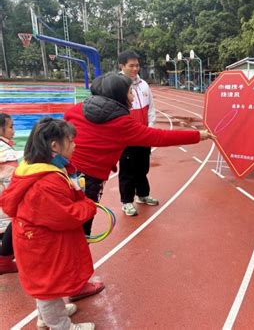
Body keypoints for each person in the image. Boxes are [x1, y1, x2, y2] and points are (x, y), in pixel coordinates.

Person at [64, 72, 213, 299]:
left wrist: (105, 161)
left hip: (62, 175)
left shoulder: (75, 110)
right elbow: (159, 137)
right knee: (80, 234)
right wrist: (199, 135)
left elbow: (80, 139)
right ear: (117, 95)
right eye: (129, 92)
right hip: (86, 183)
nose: (133, 97)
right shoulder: (121, 123)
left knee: (57, 228)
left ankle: (9, 256)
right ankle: (75, 285)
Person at [0, 117, 97, 329]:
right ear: (54, 145)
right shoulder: (46, 182)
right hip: (42, 244)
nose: (74, 145)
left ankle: (48, 317)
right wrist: (89, 206)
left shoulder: (34, 168)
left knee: (45, 284)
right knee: (47, 286)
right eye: (70, 141)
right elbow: (66, 216)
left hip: (37, 240)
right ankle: (61, 325)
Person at [118, 50, 158, 217]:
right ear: (122, 66)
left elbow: (151, 108)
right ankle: (127, 202)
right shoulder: (118, 85)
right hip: (127, 137)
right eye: (131, 65)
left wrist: (151, 127)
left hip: (144, 135)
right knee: (128, 170)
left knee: (142, 167)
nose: (135, 69)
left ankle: (142, 194)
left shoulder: (143, 85)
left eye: (137, 65)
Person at [0, 113, 20, 275]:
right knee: (14, 225)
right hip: (4, 203)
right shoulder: (6, 153)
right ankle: (5, 260)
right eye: (11, 127)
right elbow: (12, 182)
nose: (13, 131)